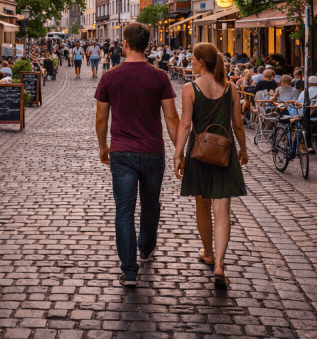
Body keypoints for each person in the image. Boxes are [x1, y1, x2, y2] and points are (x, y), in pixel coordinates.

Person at [95, 22, 179, 287]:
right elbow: (171, 118)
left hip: (122, 152)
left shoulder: (110, 76)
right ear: (148, 45)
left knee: (124, 210)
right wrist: (179, 151)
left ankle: (129, 271)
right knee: (151, 204)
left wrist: (102, 146)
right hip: (153, 151)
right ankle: (146, 246)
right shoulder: (160, 76)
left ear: (125, 44)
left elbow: (101, 118)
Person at [176, 43, 248, 289]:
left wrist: (178, 154)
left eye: (194, 60)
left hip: (199, 152)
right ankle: (219, 263)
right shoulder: (231, 88)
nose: (191, 63)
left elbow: (185, 124)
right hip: (225, 153)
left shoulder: (190, 88)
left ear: (201, 62)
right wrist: (244, 150)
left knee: (202, 205)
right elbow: (238, 125)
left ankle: (207, 251)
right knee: (223, 211)